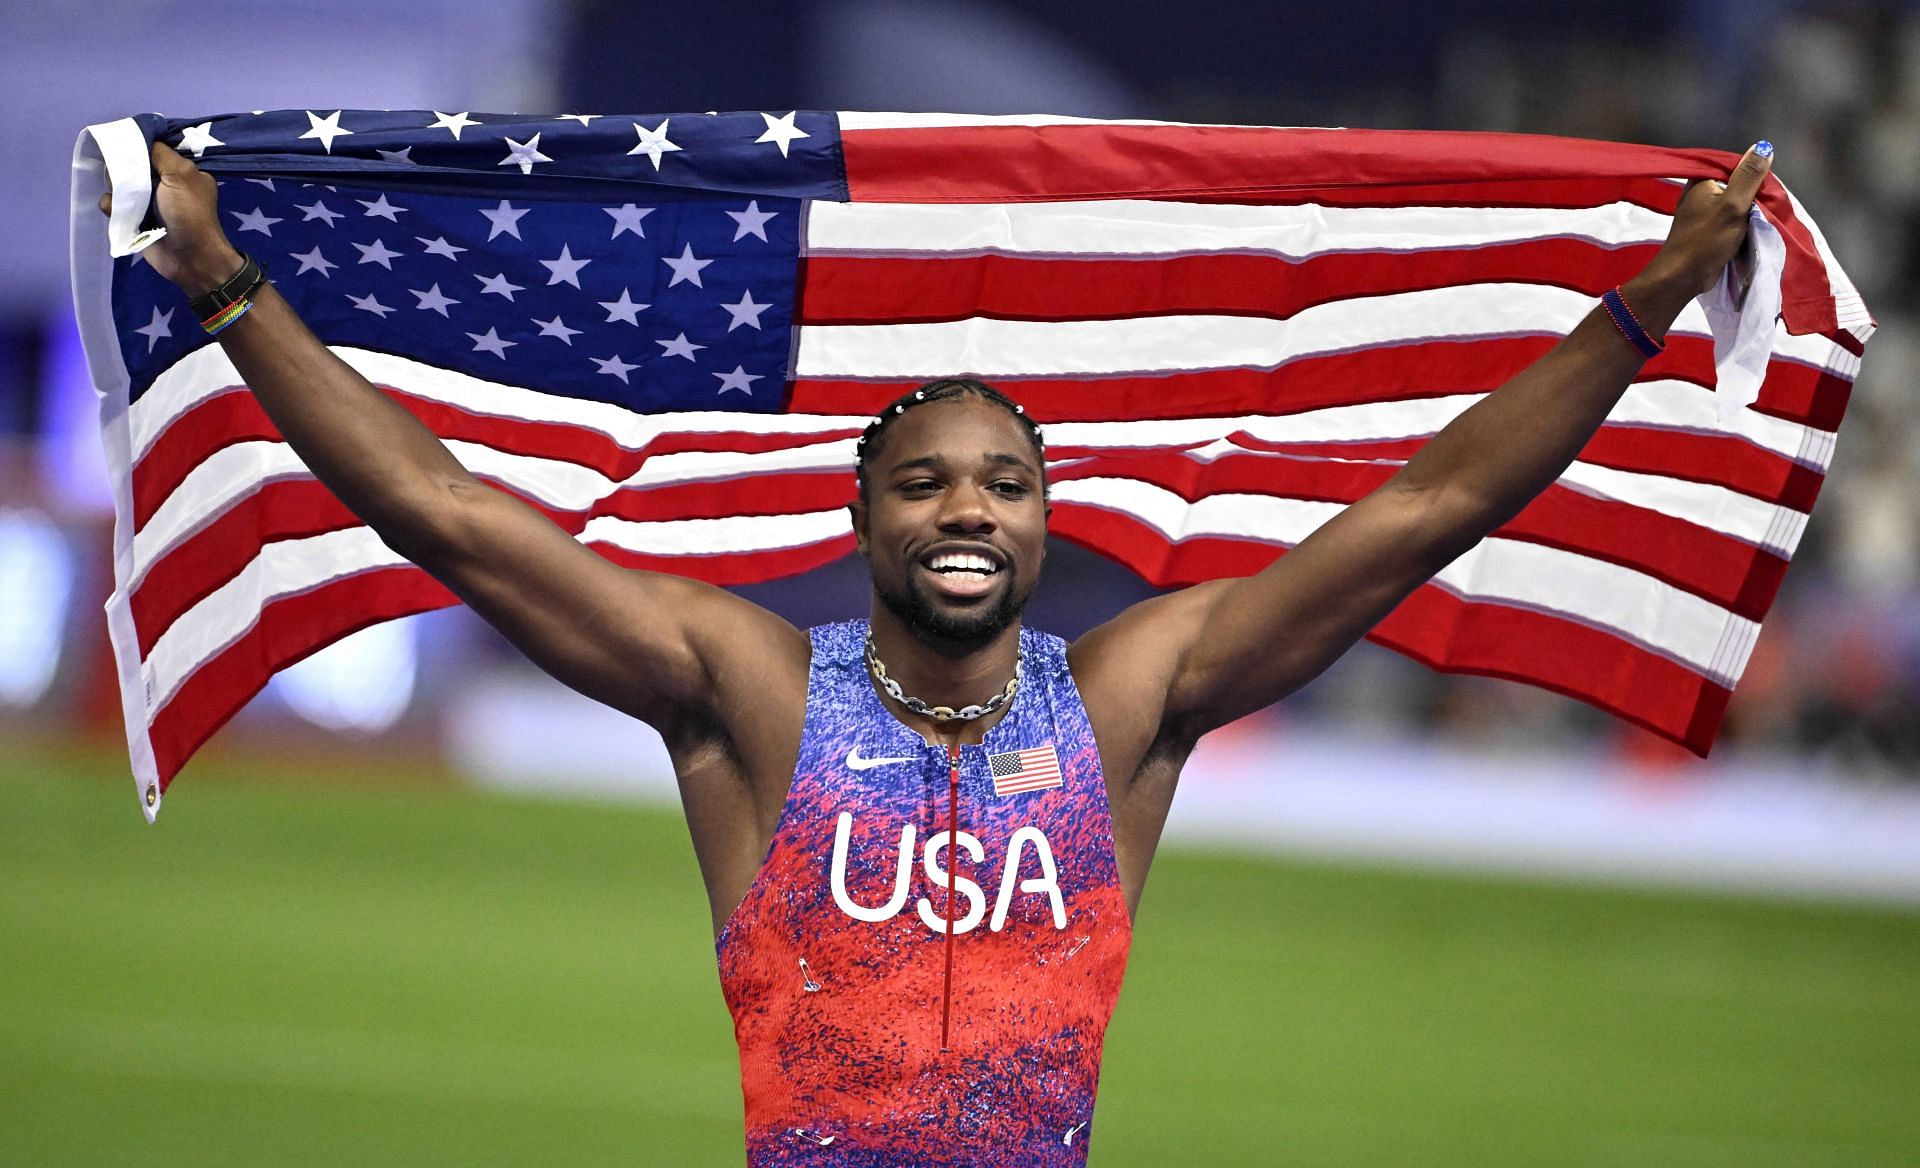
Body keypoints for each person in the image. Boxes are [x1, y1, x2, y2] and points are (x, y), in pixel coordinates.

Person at [110, 138, 1774, 1166]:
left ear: (1048, 522)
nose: (964, 511)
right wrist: (227, 279)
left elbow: (1424, 511)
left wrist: (1645, 304)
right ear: (864, 515)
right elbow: (448, 513)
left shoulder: (1130, 698)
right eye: (923, 483)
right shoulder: (751, 694)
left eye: (1004, 482)